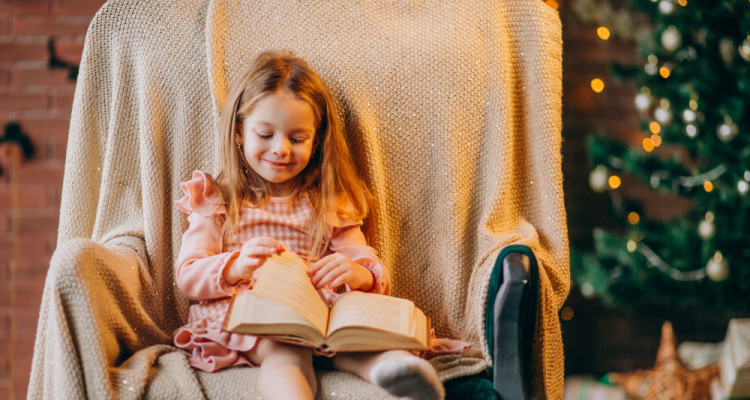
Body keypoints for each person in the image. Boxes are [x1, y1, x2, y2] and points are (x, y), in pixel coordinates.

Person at [172, 51, 445, 400]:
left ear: (316, 141)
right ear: (239, 133)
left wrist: (358, 273)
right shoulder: (218, 199)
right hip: (251, 313)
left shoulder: (328, 200)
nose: (281, 150)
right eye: (265, 134)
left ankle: (399, 373)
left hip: (315, 310)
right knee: (286, 352)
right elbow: (188, 273)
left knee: (356, 341)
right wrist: (235, 265)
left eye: (297, 139)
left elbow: (362, 257)